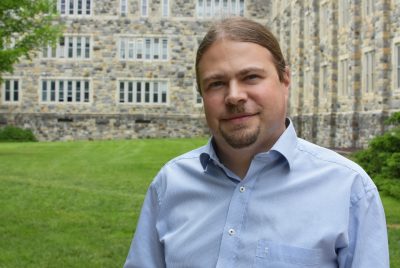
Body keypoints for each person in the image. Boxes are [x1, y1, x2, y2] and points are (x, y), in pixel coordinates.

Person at [124, 17, 389, 268]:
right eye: (216, 83)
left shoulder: (349, 189)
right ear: (202, 95)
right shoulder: (170, 185)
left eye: (250, 77)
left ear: (285, 79)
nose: (234, 96)